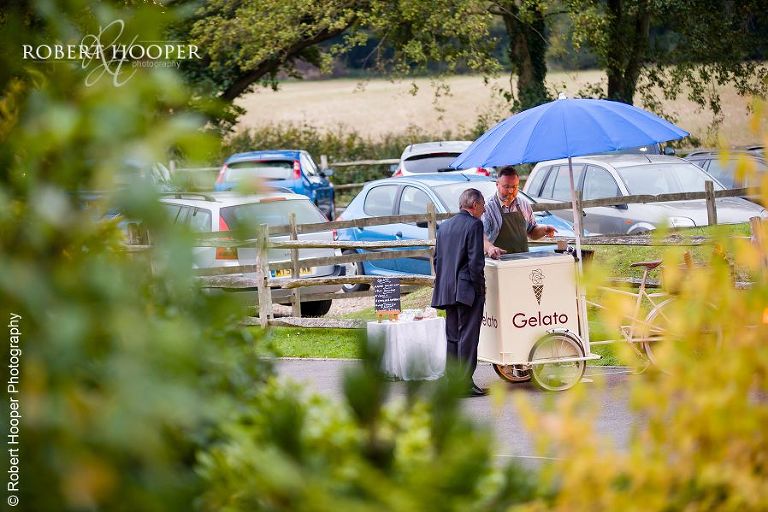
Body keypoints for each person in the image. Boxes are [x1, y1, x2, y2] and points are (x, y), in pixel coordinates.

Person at [431, 188, 488, 397]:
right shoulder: (474, 224)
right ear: (474, 205)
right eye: (482, 205)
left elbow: (436, 259)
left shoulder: (444, 227)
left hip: (446, 288)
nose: (484, 209)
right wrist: (480, 288)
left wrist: (446, 280)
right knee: (468, 337)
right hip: (466, 289)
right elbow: (475, 262)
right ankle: (464, 382)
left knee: (453, 336)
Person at [483, 166, 557, 259]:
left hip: (522, 261)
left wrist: (544, 230)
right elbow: (481, 238)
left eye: (514, 187)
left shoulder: (524, 204)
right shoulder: (487, 207)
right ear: (497, 184)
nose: (510, 191)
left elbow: (532, 232)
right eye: (506, 187)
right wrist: (490, 248)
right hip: (498, 263)